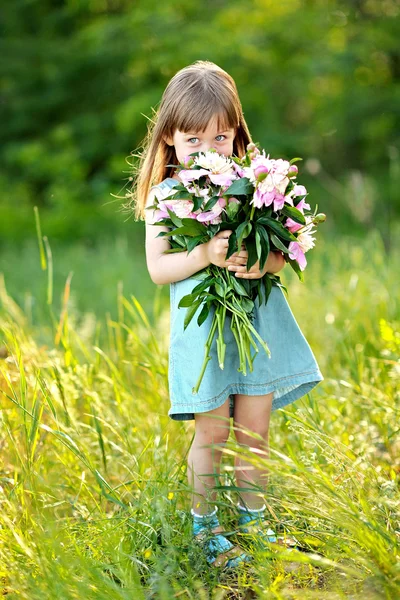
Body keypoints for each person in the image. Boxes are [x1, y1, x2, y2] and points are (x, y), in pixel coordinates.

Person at [132, 60, 323, 569]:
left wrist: (262, 260)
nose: (206, 152)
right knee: (212, 431)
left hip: (254, 326)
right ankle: (205, 529)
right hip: (205, 334)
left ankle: (254, 523)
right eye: (193, 140)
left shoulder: (253, 184)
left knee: (255, 429)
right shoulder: (167, 196)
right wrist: (204, 256)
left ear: (236, 135)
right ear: (170, 138)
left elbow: (281, 252)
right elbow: (158, 268)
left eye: (219, 139)